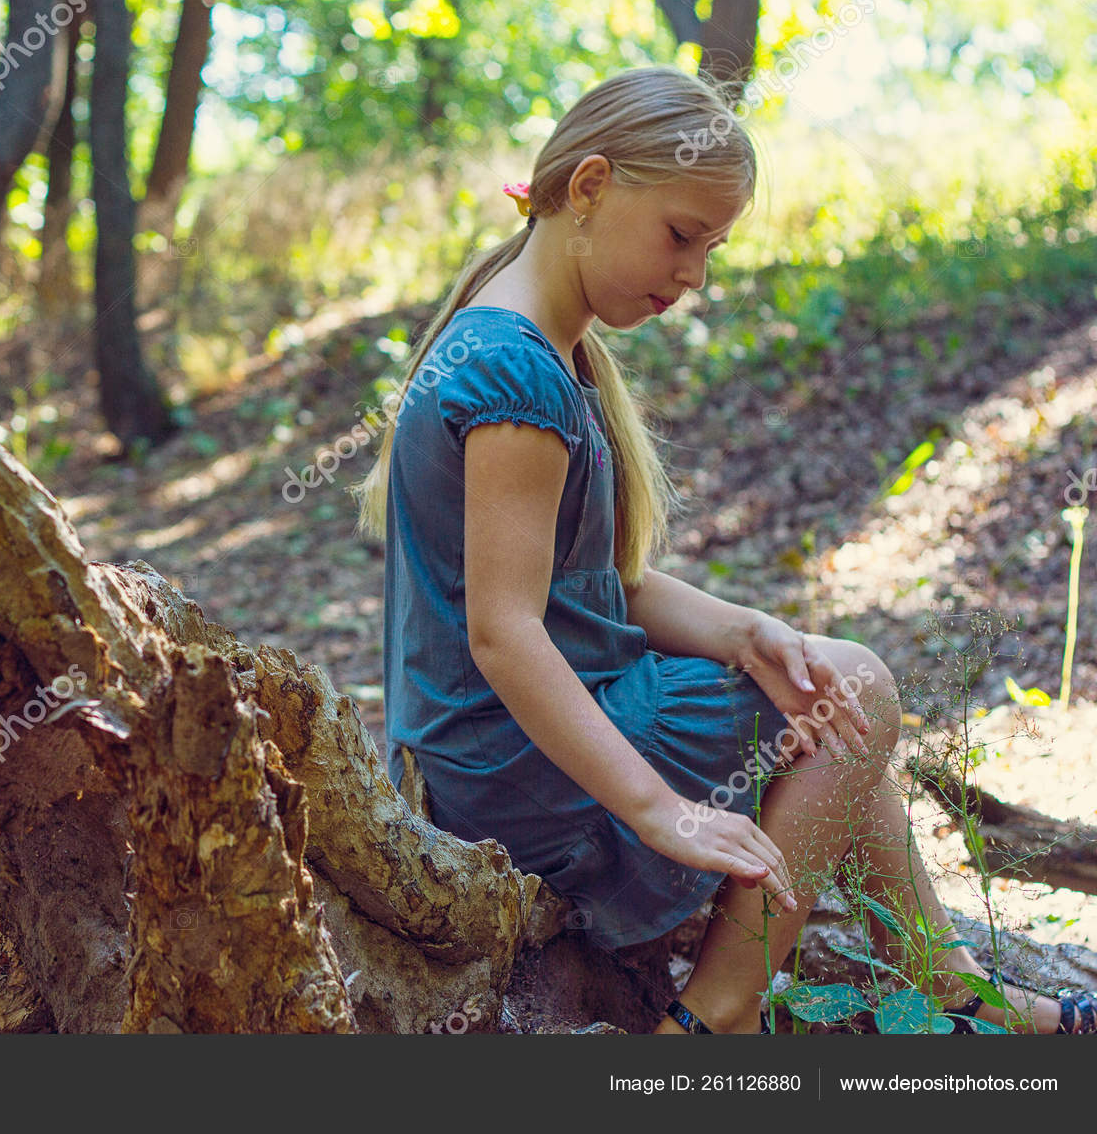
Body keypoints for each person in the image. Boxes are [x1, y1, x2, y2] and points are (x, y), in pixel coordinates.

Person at [347, 64, 1096, 1035]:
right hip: (515, 778)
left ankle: (952, 987)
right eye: (680, 234)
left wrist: (747, 634)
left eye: (712, 246)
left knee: (816, 687)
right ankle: (719, 1008)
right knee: (853, 686)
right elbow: (504, 634)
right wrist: (660, 809)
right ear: (589, 188)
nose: (694, 274)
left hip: (497, 758)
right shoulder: (514, 374)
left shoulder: (521, 338)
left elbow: (603, 583)